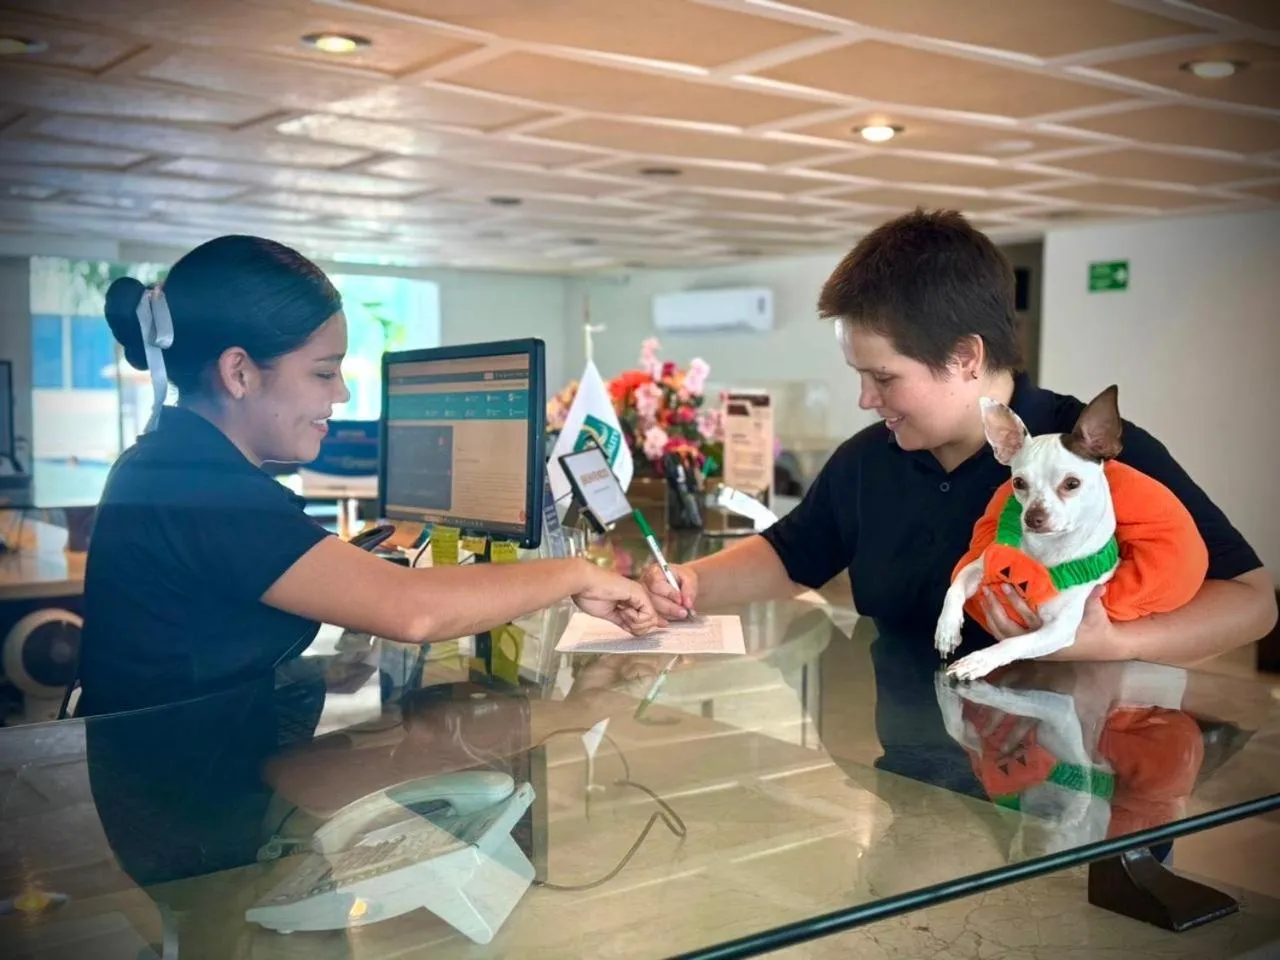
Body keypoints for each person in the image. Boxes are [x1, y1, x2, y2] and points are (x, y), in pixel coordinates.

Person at [642, 209, 1276, 668]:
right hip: (917, 786)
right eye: (860, 377)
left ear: (966, 357)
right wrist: (689, 582)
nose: (866, 399)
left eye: (884, 377)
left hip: (1078, 792)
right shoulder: (869, 460)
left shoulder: (1095, 456)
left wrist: (1115, 643)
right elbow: (792, 553)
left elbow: (1251, 603)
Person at [78, 234, 662, 718]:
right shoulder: (204, 488)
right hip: (198, 827)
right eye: (323, 373)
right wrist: (576, 576)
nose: (342, 393)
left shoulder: (172, 464)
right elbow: (411, 609)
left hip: (174, 796)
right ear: (239, 372)